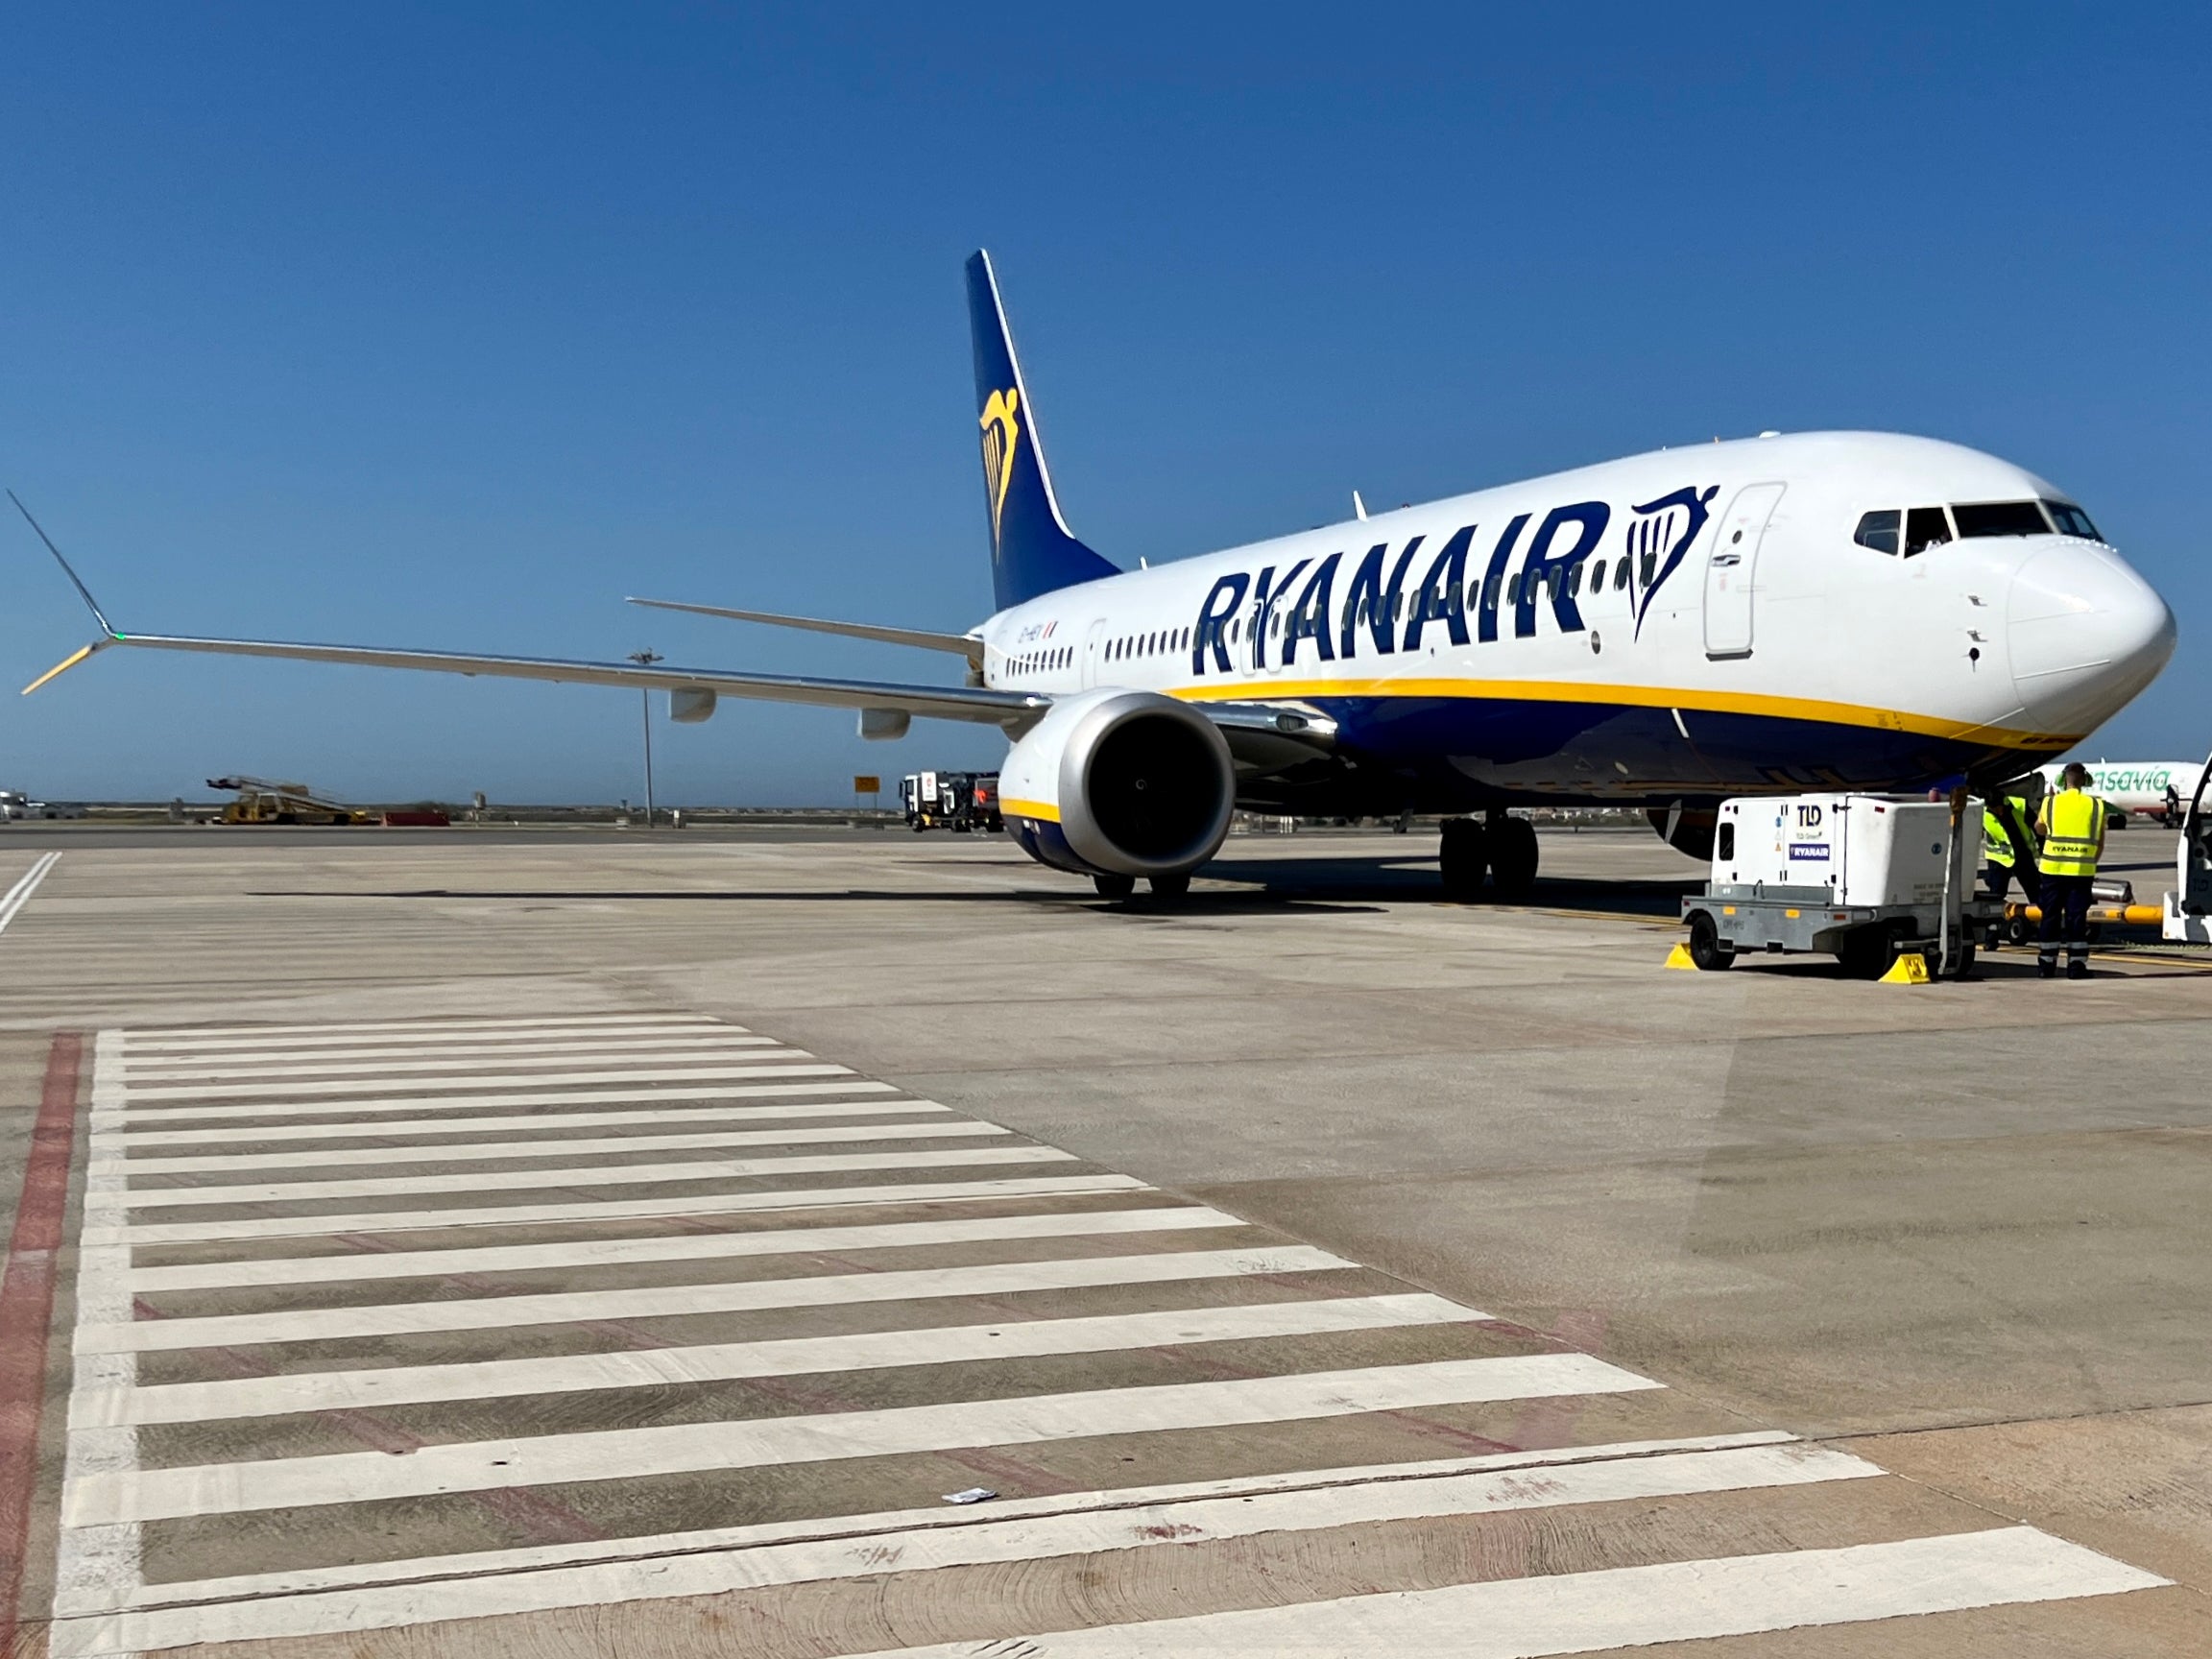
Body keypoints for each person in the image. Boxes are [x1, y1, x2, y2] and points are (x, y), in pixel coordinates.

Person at [2034, 762, 2106, 979]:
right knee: (2077, 918)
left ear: (2063, 780)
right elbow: (2100, 841)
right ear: (2085, 780)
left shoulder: (2051, 802)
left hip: (2052, 869)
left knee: (2050, 916)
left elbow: (2039, 828)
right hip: (2081, 871)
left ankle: (2046, 965)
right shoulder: (2096, 805)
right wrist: (2088, 861)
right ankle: (2076, 966)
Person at [1981, 791, 2037, 904]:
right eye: (1995, 810)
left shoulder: (2019, 805)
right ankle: (1996, 918)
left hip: (2022, 854)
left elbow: (2036, 826)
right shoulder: (1981, 813)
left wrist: (2043, 846)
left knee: (2035, 891)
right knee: (1996, 894)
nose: (1999, 812)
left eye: (2000, 808)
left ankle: (2040, 916)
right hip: (1998, 858)